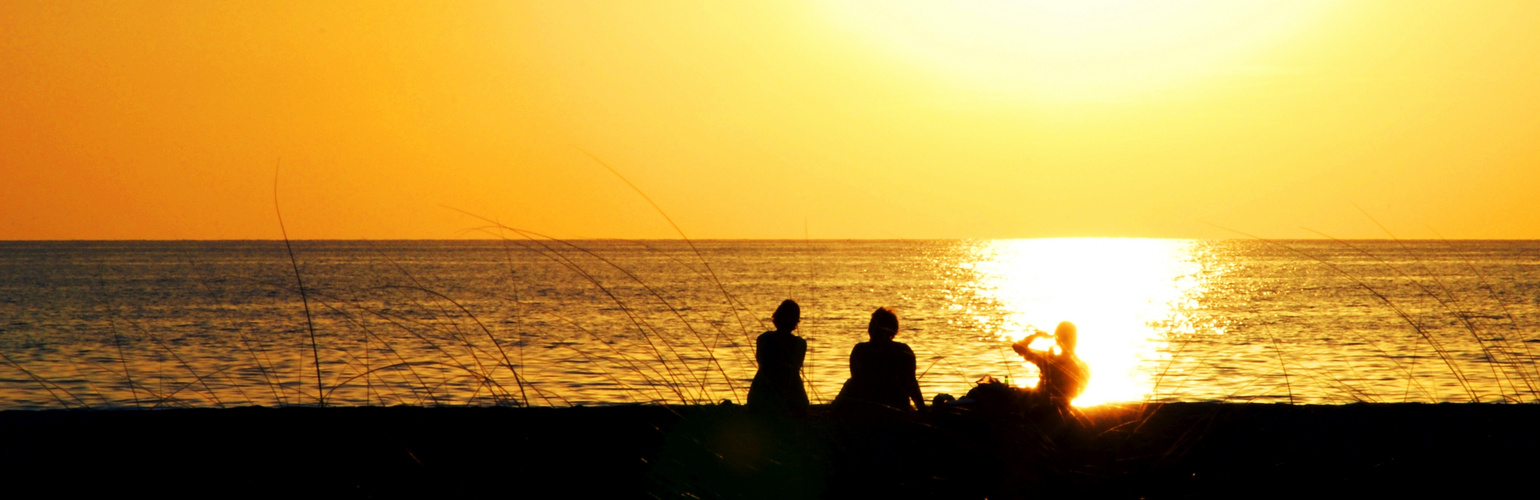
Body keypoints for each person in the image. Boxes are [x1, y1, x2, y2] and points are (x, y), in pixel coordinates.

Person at [833, 307, 926, 413]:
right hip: (877, 405)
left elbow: (911, 384)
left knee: (850, 384)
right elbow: (912, 386)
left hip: (883, 406)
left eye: (875, 323)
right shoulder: (860, 350)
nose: (872, 327)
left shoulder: (861, 350)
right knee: (851, 383)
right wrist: (922, 409)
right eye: (872, 323)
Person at [747, 299, 809, 417]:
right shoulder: (800, 344)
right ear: (795, 321)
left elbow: (761, 362)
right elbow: (796, 367)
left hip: (760, 395)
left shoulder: (763, 339)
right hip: (791, 395)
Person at [1011, 321, 1090, 411]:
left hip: (1042, 405)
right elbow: (1078, 393)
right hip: (1065, 406)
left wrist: (1037, 335)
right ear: (1076, 339)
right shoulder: (1084, 365)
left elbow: (1017, 347)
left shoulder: (1048, 359)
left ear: (1058, 340)